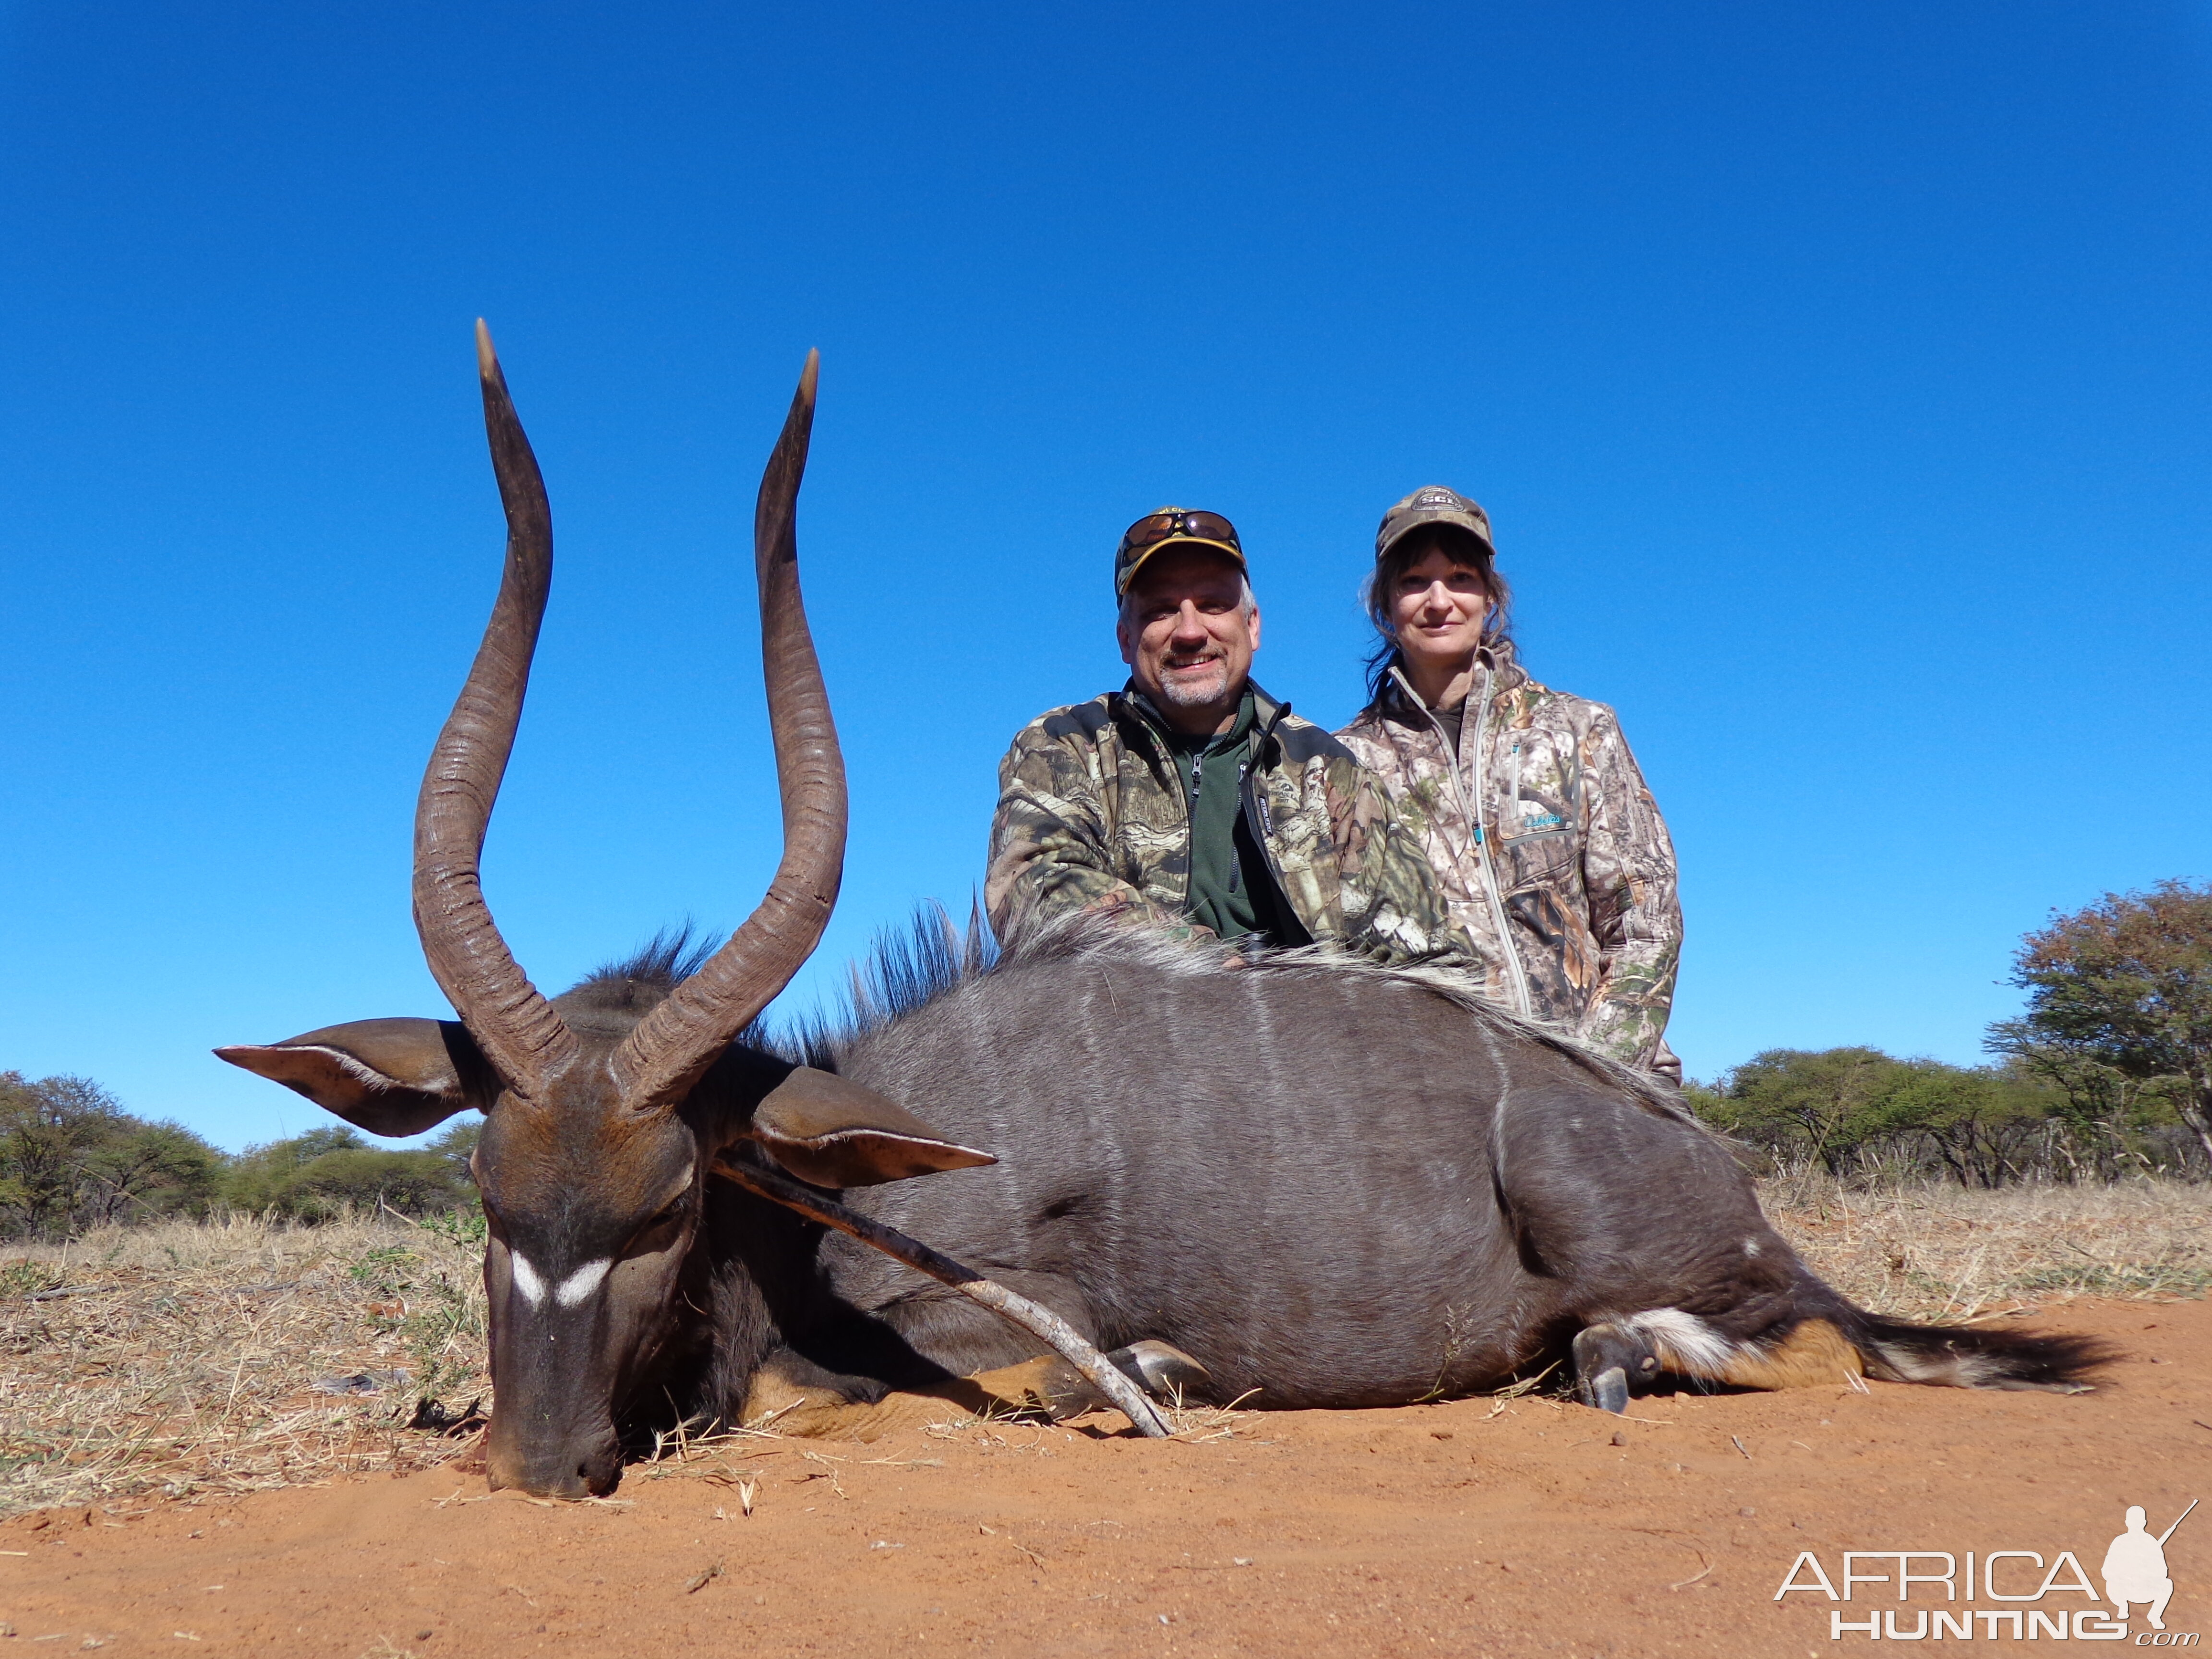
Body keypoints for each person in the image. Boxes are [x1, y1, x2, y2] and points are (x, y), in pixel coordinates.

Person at [986, 506, 1454, 962]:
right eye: (1162, 610)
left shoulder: (1329, 770)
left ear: (1252, 627)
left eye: (1212, 605)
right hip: (1122, 1030)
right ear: (1126, 640)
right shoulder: (1064, 746)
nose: (1190, 631)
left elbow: (1427, 952)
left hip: (1311, 1032)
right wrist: (1213, 972)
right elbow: (1035, 889)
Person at [1335, 487, 1684, 1079]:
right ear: (1385, 607)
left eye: (1462, 579)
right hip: (1443, 1094)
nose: (1439, 601)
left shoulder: (1579, 730)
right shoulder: (1344, 765)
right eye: (1415, 581)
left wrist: (1590, 1076)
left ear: (1490, 598)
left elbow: (1646, 925)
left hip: (1606, 1083)